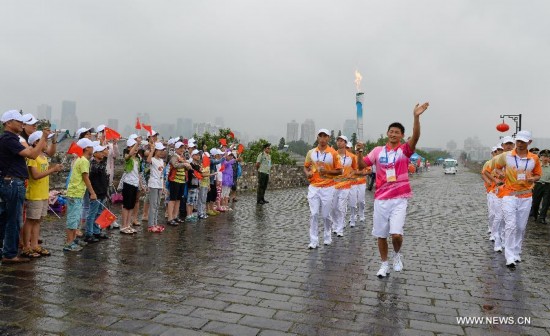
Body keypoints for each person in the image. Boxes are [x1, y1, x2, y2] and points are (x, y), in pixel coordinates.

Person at [356, 102, 430, 278]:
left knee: (396, 235)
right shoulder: (377, 151)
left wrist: (416, 117)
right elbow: (361, 166)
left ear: (402, 135)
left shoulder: (404, 151)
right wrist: (358, 152)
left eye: (397, 132)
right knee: (381, 235)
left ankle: (397, 255)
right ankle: (384, 264)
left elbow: (416, 137)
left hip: (399, 198)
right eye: (391, 131)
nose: (394, 134)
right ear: (387, 133)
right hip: (381, 199)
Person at [0, 110, 51, 263]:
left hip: (11, 182)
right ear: (8, 123)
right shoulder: (9, 139)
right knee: (13, 219)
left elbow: (32, 151)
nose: (22, 124)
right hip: (12, 182)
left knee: (6, 217)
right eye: (18, 121)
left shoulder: (12, 139)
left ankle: (6, 250)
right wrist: (43, 137)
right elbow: (33, 154)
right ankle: (9, 254)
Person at [486, 130, 542, 267]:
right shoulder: (506, 156)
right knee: (510, 225)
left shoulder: (534, 158)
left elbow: (538, 175)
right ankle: (509, 256)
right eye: (518, 141)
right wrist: (500, 176)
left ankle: (516, 252)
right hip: (509, 195)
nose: (520, 144)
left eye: (523, 141)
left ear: (529, 142)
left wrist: (532, 178)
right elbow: (490, 168)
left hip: (526, 195)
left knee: (520, 227)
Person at [21, 131, 62, 258]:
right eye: (44, 141)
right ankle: (26, 246)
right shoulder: (33, 158)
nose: (47, 143)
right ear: (36, 143)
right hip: (35, 194)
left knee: (38, 220)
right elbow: (36, 175)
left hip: (43, 193)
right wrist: (52, 170)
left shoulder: (43, 156)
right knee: (30, 220)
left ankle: (34, 245)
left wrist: (54, 140)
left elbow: (52, 151)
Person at [303, 129, 343, 249]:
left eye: (325, 136)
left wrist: (326, 171)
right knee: (314, 214)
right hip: (314, 187)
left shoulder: (333, 153)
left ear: (328, 138)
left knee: (326, 215)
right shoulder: (311, 152)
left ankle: (327, 236)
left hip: (328, 187)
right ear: (317, 138)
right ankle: (313, 240)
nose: (322, 138)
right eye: (320, 136)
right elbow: (305, 167)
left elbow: (340, 171)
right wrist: (307, 173)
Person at [65, 138, 97, 251]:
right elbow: (85, 177)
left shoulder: (81, 159)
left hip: (77, 193)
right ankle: (69, 243)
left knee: (76, 218)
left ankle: (73, 240)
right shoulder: (84, 161)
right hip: (75, 193)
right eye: (92, 146)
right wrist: (92, 192)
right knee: (73, 219)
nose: (93, 149)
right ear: (87, 148)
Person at [331, 136, 357, 237]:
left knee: (341, 206)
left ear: (345, 143)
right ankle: (335, 224)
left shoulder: (351, 156)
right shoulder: (332, 155)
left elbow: (354, 169)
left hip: (346, 185)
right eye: (338, 141)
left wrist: (351, 175)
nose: (339, 142)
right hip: (334, 184)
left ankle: (340, 228)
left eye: (341, 141)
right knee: (333, 207)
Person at [84, 144, 111, 243]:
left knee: (99, 213)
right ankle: (89, 233)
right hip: (95, 192)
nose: (102, 153)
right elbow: (99, 168)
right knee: (92, 213)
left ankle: (96, 231)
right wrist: (106, 156)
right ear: (94, 154)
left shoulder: (100, 163)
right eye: (100, 152)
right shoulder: (93, 164)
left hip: (102, 192)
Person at [120, 138, 142, 234]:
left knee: (131, 205)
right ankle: (123, 225)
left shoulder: (137, 159)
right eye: (133, 146)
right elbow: (129, 155)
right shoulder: (127, 158)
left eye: (136, 146)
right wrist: (137, 143)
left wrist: (141, 184)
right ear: (129, 148)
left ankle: (128, 225)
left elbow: (138, 173)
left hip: (135, 184)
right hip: (128, 183)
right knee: (126, 205)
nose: (136, 148)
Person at [166, 142, 189, 225]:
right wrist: (184, 164)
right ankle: (170, 218)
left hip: (182, 180)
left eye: (183, 148)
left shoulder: (182, 157)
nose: (182, 150)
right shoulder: (174, 156)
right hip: (174, 180)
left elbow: (187, 166)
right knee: (172, 199)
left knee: (179, 199)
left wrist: (186, 165)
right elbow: (175, 165)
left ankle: (175, 216)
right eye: (180, 148)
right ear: (176, 149)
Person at [147, 142, 167, 232]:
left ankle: (155, 223)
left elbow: (162, 174)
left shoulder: (161, 161)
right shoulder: (153, 160)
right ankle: (151, 225)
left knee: (158, 204)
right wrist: (152, 150)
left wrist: (163, 186)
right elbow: (148, 160)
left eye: (162, 150)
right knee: (153, 205)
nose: (162, 152)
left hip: (159, 184)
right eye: (160, 150)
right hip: (153, 184)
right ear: (156, 151)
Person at [530, 149, 550, 224]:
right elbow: (532, 175)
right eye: (544, 156)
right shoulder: (536, 166)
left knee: (546, 203)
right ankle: (535, 215)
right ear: (540, 157)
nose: (545, 158)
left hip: (547, 186)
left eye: (547, 156)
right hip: (537, 185)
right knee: (535, 202)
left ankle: (542, 217)